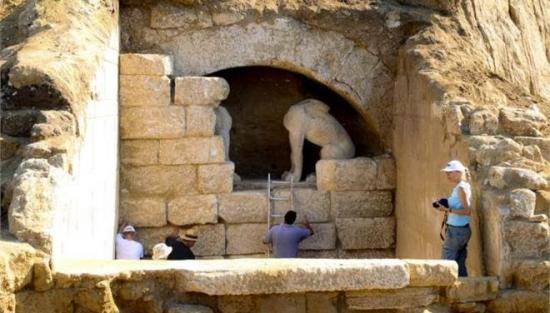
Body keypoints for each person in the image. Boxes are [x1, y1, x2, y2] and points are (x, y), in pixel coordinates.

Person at [435, 160, 472, 277]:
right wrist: (446, 203)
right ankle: (464, 290)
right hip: (461, 230)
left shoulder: (461, 188)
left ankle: (445, 291)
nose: (447, 175)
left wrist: (447, 210)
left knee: (447, 262)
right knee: (459, 264)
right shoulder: (463, 186)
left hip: (456, 231)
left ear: (457, 172)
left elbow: (467, 211)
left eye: (449, 173)